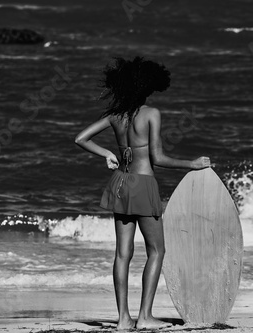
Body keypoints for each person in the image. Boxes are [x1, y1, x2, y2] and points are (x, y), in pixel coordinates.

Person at [75, 56, 210, 330]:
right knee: (157, 250)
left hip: (120, 184)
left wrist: (107, 153)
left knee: (122, 254)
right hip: (144, 186)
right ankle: (145, 316)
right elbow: (157, 158)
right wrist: (192, 164)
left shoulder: (115, 116)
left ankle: (123, 319)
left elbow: (80, 138)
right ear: (147, 86)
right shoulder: (151, 114)